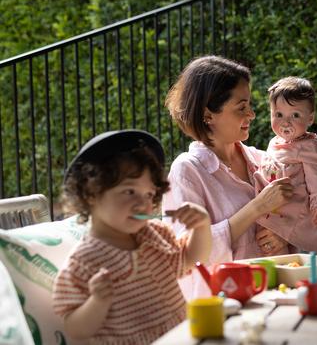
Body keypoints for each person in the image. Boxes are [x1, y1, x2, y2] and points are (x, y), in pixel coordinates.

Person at [52, 130, 212, 344]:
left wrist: (202, 226)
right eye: (129, 192)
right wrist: (98, 301)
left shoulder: (155, 234)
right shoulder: (84, 261)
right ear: (90, 193)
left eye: (148, 194)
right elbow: (75, 328)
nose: (143, 204)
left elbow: (191, 258)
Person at [162, 56, 294, 297]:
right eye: (241, 107)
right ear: (207, 115)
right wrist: (257, 207)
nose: (252, 114)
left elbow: (297, 221)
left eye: (250, 105)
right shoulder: (188, 171)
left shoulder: (262, 160)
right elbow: (187, 256)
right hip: (222, 306)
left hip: (275, 293)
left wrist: (281, 234)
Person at [253, 77, 317, 255]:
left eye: (295, 115)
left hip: (297, 209)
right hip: (276, 208)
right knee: (274, 252)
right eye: (278, 115)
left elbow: (316, 177)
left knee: (295, 251)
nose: (285, 122)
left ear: (310, 118)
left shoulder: (308, 147)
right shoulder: (274, 142)